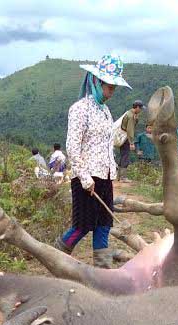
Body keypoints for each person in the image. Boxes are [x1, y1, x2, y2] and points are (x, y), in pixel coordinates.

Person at [54, 53, 131, 268]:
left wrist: (111, 171)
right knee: (82, 225)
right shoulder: (80, 109)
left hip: (104, 176)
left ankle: (103, 269)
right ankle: (55, 255)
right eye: (109, 85)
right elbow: (72, 146)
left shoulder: (106, 111)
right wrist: (85, 177)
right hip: (85, 177)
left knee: (104, 225)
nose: (111, 91)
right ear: (96, 81)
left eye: (114, 86)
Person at [117, 100, 143, 178]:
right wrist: (131, 142)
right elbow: (130, 130)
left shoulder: (129, 113)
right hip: (126, 138)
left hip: (123, 137)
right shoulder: (131, 116)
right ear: (137, 107)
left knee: (123, 155)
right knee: (126, 156)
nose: (141, 110)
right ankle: (123, 177)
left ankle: (118, 175)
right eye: (140, 108)